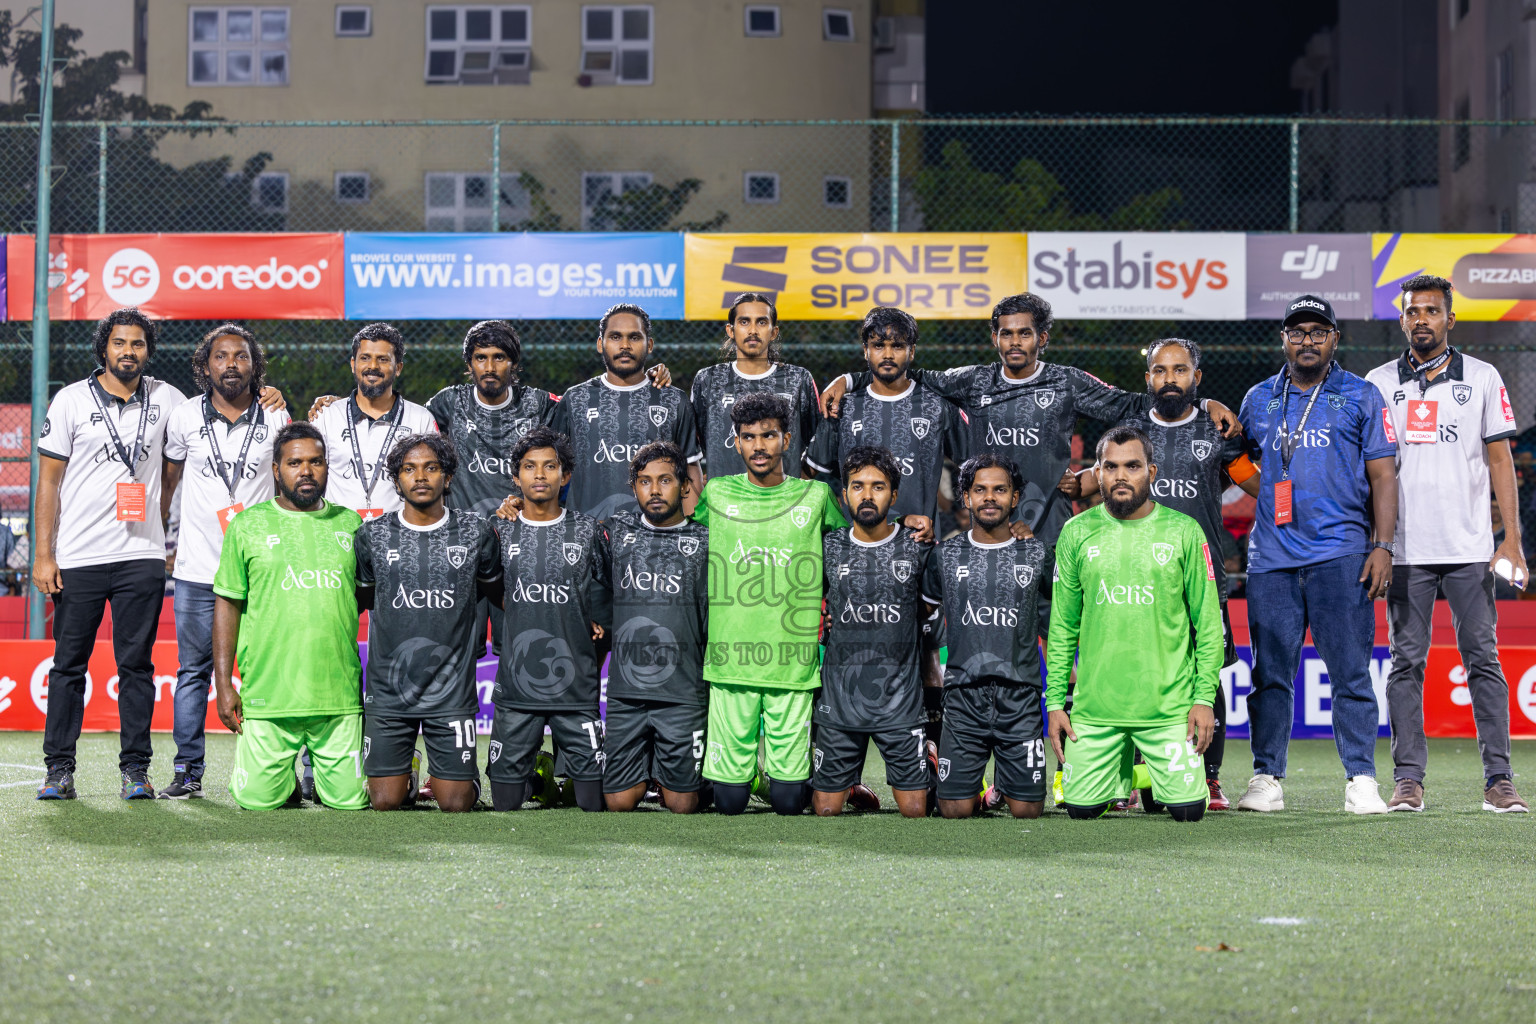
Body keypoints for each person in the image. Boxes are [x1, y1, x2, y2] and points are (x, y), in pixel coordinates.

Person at [821, 293, 1239, 545]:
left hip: (1049, 524)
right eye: (1006, 333)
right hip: (990, 523)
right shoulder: (972, 381)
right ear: (994, 338)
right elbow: (901, 372)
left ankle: (1062, 696)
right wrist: (847, 378)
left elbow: (1133, 405)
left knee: (1057, 628)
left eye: (1024, 333)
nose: (1014, 341)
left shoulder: (1067, 382)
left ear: (1042, 338)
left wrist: (1204, 405)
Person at [1365, 275, 1528, 813]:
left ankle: (1499, 779)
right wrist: (1376, 541)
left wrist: (1511, 542)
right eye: (1412, 311)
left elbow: (1502, 460)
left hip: (1468, 548)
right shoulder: (1379, 382)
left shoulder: (1482, 377)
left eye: (1432, 311)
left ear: (1449, 320)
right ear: (1403, 319)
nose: (1421, 320)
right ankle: (1408, 779)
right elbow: (1369, 468)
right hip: (1406, 550)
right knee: (1405, 664)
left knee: (1482, 658)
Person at [1075, 338, 1260, 810]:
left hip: (1199, 575)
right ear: (1149, 379)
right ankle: (1131, 782)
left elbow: (1253, 481)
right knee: (1132, 668)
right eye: (1160, 371)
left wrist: (1291, 484)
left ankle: (1210, 777)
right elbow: (1089, 482)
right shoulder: (1131, 429)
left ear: (1196, 378)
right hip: (1132, 574)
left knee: (1208, 673)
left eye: (1179, 371)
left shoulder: (1216, 428)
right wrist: (1072, 482)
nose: (1169, 379)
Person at [1235, 294, 1398, 815]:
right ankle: (1266, 778)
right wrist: (1268, 491)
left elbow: (1383, 476)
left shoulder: (1362, 395)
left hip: (1342, 553)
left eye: (1318, 332)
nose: (1308, 340)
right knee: (1270, 674)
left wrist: (1383, 546)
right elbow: (1238, 463)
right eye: (1298, 332)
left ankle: (1362, 778)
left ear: (1334, 339)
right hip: (1272, 560)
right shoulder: (1258, 398)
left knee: (1351, 671)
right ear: (1283, 339)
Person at [33, 308, 188, 801]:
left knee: (137, 667)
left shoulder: (167, 398)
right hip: (77, 555)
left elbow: (212, 419)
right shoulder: (71, 400)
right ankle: (59, 769)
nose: (129, 351)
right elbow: (49, 482)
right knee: (68, 665)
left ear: (148, 350)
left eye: (138, 344)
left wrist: (266, 394)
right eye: (120, 343)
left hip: (140, 555)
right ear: (104, 348)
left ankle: (135, 771)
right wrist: (43, 554)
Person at [1047, 426, 1223, 821]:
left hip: (1168, 710)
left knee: (1188, 811)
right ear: (1098, 472)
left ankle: (1139, 775)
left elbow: (1208, 626)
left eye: (1132, 466)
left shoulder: (1184, 532)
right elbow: (1061, 627)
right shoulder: (1076, 533)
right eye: (1110, 467)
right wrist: (1056, 703)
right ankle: (1119, 772)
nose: (1121, 476)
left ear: (1152, 471)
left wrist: (1203, 699)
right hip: (1096, 712)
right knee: (1081, 811)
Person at [694, 392, 847, 815]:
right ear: (736, 443)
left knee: (788, 803)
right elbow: (672, 526)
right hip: (731, 663)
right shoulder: (718, 494)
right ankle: (747, 776)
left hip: (792, 664)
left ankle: (782, 779)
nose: (758, 446)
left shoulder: (816, 497)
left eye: (768, 436)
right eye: (748, 437)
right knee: (727, 803)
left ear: (786, 439)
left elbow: (849, 550)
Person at [158, 324, 290, 799]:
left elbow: (287, 489)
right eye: (221, 356)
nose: (230, 364)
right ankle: (188, 772)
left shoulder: (275, 415)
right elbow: (168, 482)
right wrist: (159, 539)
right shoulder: (183, 417)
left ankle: (275, 769)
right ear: (205, 365)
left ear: (254, 365)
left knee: (269, 672)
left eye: (240, 356)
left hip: (260, 572)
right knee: (192, 672)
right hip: (197, 572)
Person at [211, 422, 368, 811]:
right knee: (258, 802)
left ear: (327, 467)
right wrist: (224, 684)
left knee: (350, 803)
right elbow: (227, 604)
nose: (307, 471)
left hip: (337, 696)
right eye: (295, 462)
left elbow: (366, 599)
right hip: (268, 697)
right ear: (276, 470)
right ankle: (286, 782)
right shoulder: (246, 525)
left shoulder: (351, 525)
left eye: (316, 461)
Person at [353, 433, 503, 812]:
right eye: (409, 469)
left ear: (447, 478)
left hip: (450, 691)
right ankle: (411, 771)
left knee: (456, 804)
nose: (420, 477)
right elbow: (366, 599)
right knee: (385, 803)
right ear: (397, 479)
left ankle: (459, 775)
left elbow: (492, 591)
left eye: (431, 468)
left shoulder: (476, 532)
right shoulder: (372, 534)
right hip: (390, 689)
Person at [920, 453, 1051, 819]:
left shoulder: (1038, 552)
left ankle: (1003, 787)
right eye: (980, 490)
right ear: (966, 497)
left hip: (1020, 696)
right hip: (963, 697)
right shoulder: (944, 555)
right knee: (954, 811)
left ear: (1015, 497)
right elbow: (922, 613)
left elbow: (1065, 608)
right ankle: (966, 783)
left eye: (999, 490)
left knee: (1027, 812)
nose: (989, 497)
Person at [487, 426, 610, 812]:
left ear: (566, 475)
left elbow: (609, 587)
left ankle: (563, 772)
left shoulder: (589, 530)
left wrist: (595, 621)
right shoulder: (498, 529)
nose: (539, 475)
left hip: (575, 687)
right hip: (517, 686)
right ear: (516, 476)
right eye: (529, 466)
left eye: (550, 466)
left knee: (593, 802)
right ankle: (537, 770)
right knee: (505, 802)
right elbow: (486, 588)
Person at [813, 445, 935, 818]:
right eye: (857, 486)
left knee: (915, 810)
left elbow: (930, 609)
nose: (867, 495)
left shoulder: (916, 545)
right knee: (826, 811)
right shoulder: (827, 545)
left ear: (893, 495)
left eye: (878, 487)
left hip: (899, 703)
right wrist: (819, 620)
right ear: (844, 494)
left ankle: (930, 756)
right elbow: (803, 600)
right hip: (840, 701)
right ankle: (847, 783)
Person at [602, 441, 711, 813]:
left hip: (683, 691)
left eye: (665, 480)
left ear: (684, 486)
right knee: (618, 803)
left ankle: (704, 778)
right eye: (645, 481)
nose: (654, 490)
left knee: (683, 805)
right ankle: (646, 772)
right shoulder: (615, 532)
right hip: (626, 693)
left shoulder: (707, 540)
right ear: (633, 486)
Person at [551, 304, 702, 520]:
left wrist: (690, 528)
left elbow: (690, 467)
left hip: (655, 535)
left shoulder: (674, 400)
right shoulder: (575, 399)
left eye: (634, 337)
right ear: (600, 344)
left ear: (649, 344)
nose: (625, 345)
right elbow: (552, 469)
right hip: (588, 533)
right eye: (615, 337)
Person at [312, 323, 437, 521]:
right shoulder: (327, 416)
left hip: (399, 536)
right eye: (365, 358)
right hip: (339, 534)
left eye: (383, 360)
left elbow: (433, 487)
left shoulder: (421, 419)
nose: (373, 366)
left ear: (398, 368)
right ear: (353, 364)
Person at [690, 292, 821, 480]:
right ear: (730, 330)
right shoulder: (707, 380)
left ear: (774, 332)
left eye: (761, 322)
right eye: (744, 322)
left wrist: (798, 477)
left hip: (783, 501)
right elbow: (695, 443)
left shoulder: (798, 379)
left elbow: (818, 440)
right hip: (726, 501)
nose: (752, 330)